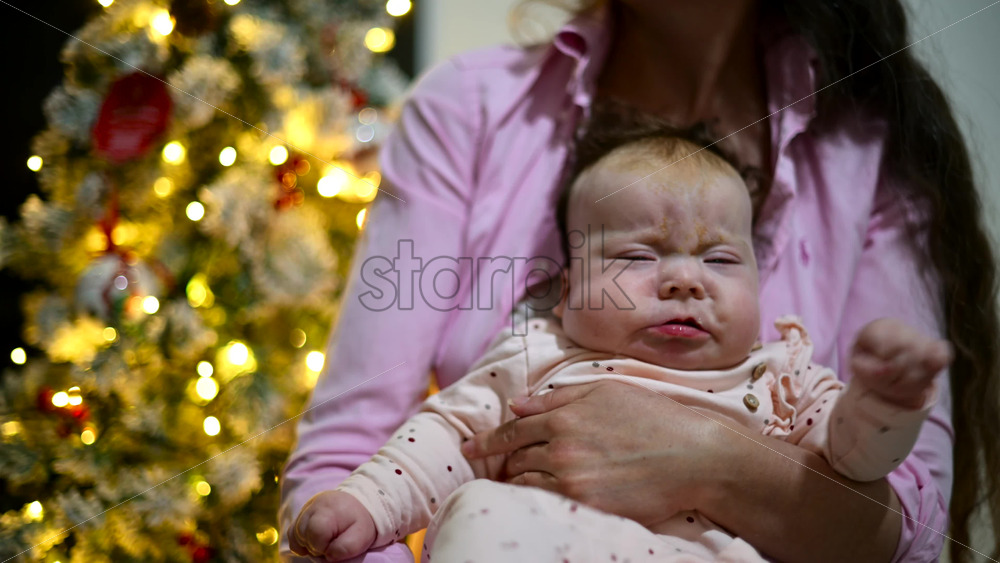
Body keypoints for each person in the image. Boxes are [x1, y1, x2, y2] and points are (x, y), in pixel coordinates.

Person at [280, 2, 1000, 561]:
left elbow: (880, 482)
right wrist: (364, 507)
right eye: (636, 257)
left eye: (722, 261)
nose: (685, 281)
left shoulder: (784, 374)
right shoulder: (532, 356)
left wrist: (879, 405)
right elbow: (432, 445)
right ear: (565, 291)